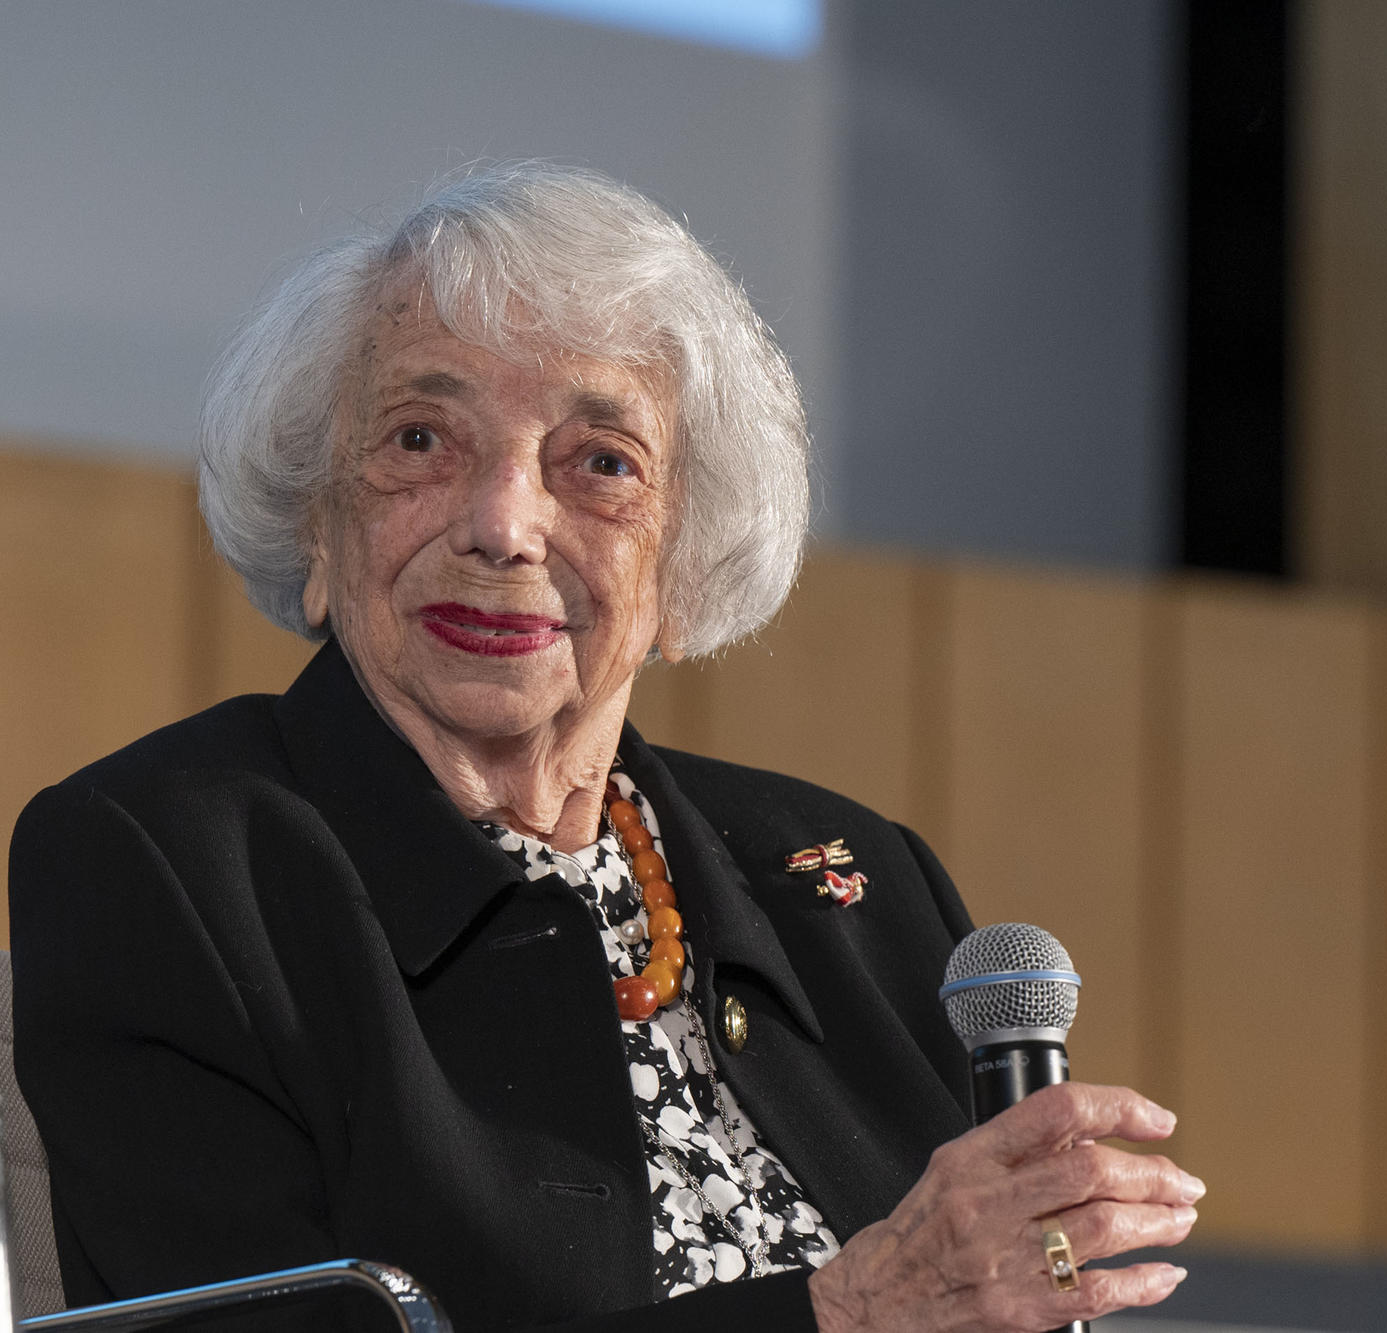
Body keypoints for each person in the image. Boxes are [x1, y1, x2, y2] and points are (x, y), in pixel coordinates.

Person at [7, 163, 1199, 1333]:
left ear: (682, 569)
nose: (503, 525)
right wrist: (844, 1314)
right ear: (317, 522)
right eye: (421, 439)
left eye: (601, 464)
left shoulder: (861, 886)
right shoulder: (166, 868)